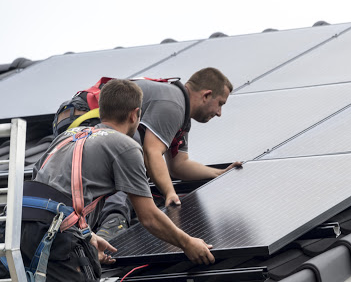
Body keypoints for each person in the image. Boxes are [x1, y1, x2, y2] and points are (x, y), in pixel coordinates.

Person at [0, 79, 215, 282]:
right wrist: (188, 243)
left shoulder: (65, 137)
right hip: (50, 230)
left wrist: (88, 235)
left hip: (13, 222)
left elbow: (47, 195)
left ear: (101, 111)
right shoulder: (126, 146)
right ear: (135, 114)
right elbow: (148, 216)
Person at [95, 68, 242, 240]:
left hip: (91, 127)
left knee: (137, 154)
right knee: (133, 153)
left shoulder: (182, 113)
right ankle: (113, 221)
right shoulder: (174, 104)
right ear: (206, 95)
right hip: (91, 121)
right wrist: (169, 193)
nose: (219, 113)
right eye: (220, 104)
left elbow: (179, 166)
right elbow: (152, 152)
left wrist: (220, 173)